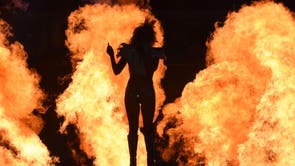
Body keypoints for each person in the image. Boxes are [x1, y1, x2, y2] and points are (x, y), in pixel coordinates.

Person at [106, 18, 166, 166]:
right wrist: (113, 55)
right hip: (144, 91)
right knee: (145, 127)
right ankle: (146, 161)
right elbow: (119, 71)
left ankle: (138, 162)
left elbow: (116, 70)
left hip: (135, 91)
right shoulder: (153, 53)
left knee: (138, 128)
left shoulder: (138, 52)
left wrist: (112, 55)